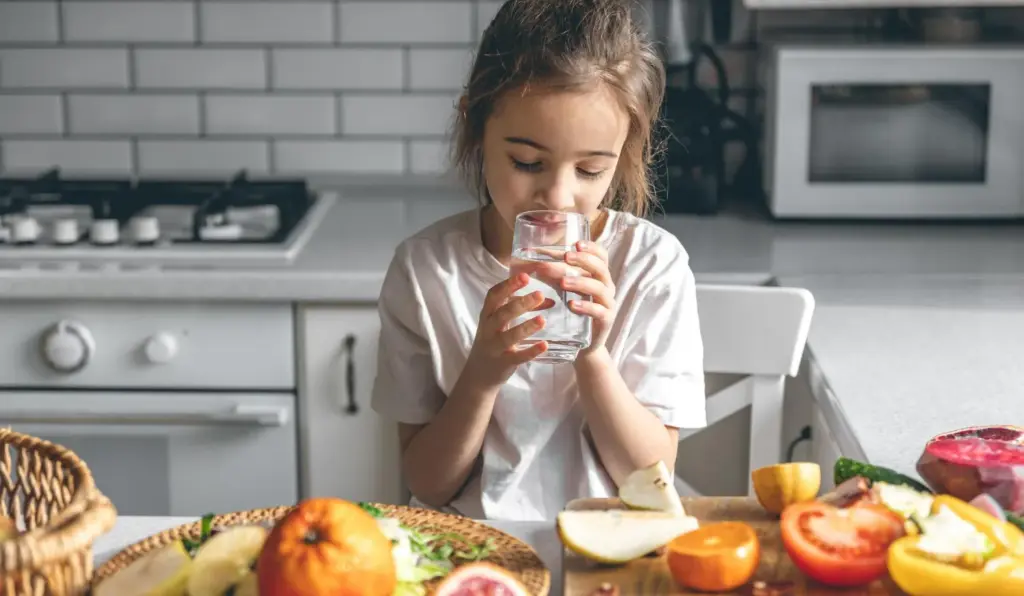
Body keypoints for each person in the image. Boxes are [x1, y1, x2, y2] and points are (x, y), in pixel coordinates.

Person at [370, 0, 706, 521]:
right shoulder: (425, 272)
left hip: (608, 543)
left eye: (590, 171)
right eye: (527, 162)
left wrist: (592, 356)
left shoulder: (651, 265)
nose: (558, 197)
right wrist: (482, 374)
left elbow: (648, 480)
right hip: (472, 540)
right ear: (475, 124)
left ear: (623, 154)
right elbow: (428, 485)